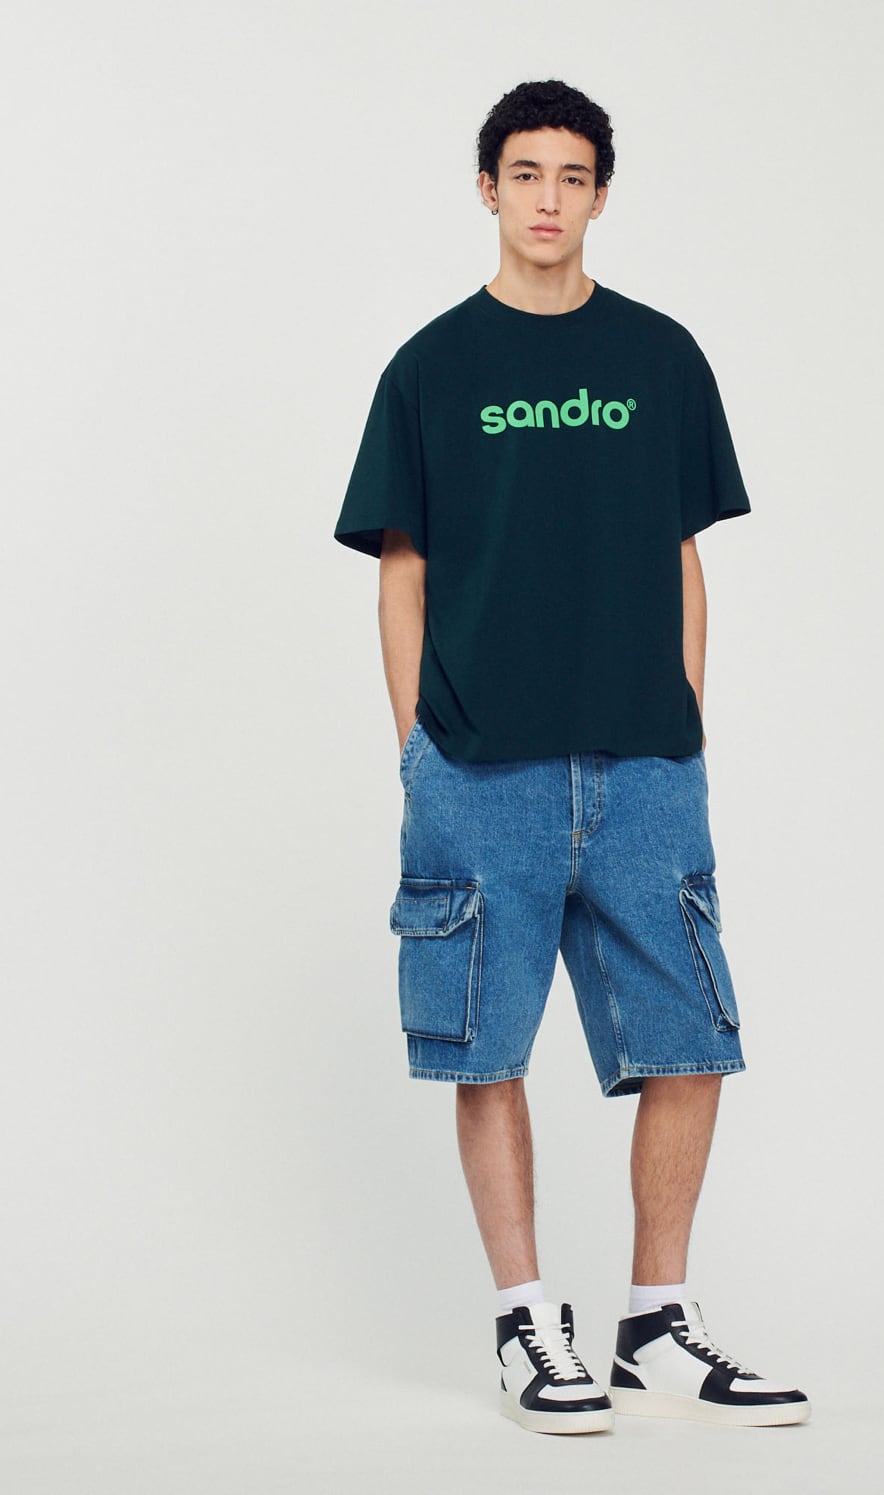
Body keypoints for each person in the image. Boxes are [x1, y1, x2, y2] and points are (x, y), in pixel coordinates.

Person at [334, 79, 809, 1436]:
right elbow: (402, 570)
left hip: (645, 759)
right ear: (488, 188)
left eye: (575, 175)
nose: (550, 198)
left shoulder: (661, 357)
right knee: (486, 1048)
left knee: (692, 1035)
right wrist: (417, 747)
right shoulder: (431, 368)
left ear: (602, 194)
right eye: (527, 173)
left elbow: (682, 555)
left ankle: (656, 1321)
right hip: (480, 761)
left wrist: (686, 717)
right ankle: (524, 1320)